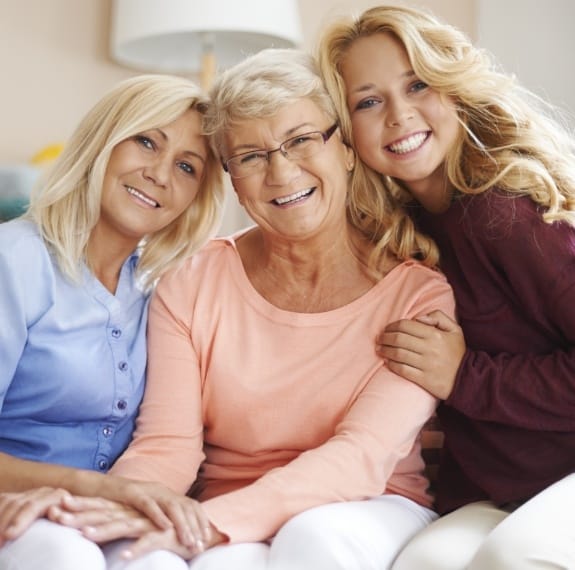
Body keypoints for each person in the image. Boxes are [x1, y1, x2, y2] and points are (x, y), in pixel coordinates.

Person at [50, 48, 457, 569]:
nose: (281, 171)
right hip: (223, 509)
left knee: (313, 539)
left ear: (348, 150)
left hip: (369, 505)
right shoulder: (191, 281)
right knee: (141, 558)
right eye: (251, 156)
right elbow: (167, 447)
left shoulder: (419, 294)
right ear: (232, 180)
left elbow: (358, 458)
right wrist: (119, 515)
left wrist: (207, 526)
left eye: (302, 140)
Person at [318, 5, 575, 569]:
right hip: (500, 489)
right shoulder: (403, 233)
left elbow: (465, 375)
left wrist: (466, 375)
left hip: (562, 475)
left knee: (515, 556)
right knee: (424, 562)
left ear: (453, 88)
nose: (399, 114)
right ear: (346, 130)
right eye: (368, 101)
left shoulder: (505, 213)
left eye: (417, 84)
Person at [0, 73, 224, 569]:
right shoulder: (13, 260)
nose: (161, 175)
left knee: (158, 562)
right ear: (103, 140)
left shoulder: (163, 286)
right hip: (17, 509)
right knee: (64, 557)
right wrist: (85, 487)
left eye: (187, 167)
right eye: (147, 141)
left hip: (103, 512)